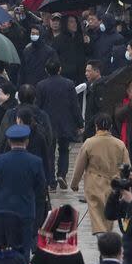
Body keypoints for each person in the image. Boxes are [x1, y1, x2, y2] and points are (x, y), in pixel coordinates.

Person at [0, 124, 47, 253]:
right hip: (26, 210)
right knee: (24, 249)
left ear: (9, 141)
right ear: (27, 141)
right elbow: (41, 189)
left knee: (3, 248)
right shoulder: (36, 162)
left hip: (3, 209)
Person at [70, 113, 131, 234]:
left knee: (96, 214)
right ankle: (106, 237)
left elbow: (80, 165)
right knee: (109, 215)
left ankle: (102, 238)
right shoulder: (119, 144)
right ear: (111, 126)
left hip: (94, 183)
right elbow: (127, 166)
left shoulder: (89, 143)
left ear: (96, 126)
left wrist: (74, 183)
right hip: (114, 183)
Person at [36, 59, 83, 190]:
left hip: (47, 124)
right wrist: (79, 123)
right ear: (60, 69)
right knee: (64, 150)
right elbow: (75, 105)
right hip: (65, 123)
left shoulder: (41, 85)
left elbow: (37, 106)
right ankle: (62, 174)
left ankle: (51, 180)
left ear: (46, 70)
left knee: (49, 152)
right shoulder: (68, 84)